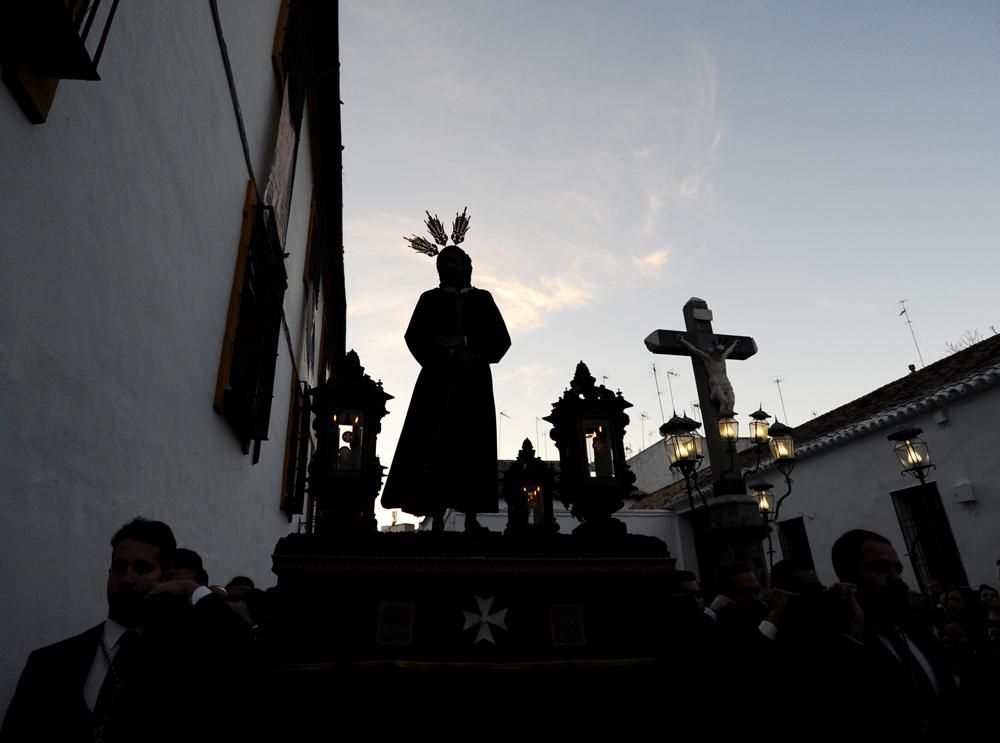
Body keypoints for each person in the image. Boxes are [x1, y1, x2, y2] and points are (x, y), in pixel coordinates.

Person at [1, 518, 258, 743]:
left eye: (142, 569)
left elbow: (244, 649)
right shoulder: (51, 663)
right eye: (120, 567)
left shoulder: (185, 659)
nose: (128, 578)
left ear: (166, 578)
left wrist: (194, 591)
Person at [381, 243, 511, 533]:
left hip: (473, 385)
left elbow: (501, 340)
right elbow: (415, 336)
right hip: (437, 384)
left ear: (467, 267)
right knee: (433, 443)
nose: (450, 267)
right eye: (444, 263)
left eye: (455, 261)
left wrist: (465, 342)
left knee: (473, 445)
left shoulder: (483, 299)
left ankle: (470, 517)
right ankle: (435, 515)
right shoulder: (429, 299)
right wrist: (446, 354)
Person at [827, 528, 955, 738]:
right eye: (880, 568)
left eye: (898, 569)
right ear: (847, 574)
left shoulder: (917, 629)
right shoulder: (838, 644)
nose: (895, 578)